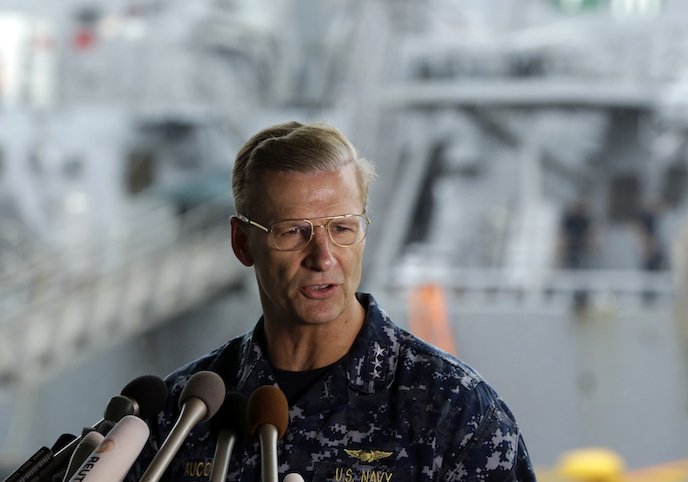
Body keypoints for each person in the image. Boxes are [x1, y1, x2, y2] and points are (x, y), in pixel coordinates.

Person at [125, 122, 536, 482]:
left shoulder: (455, 412)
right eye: (291, 232)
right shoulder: (179, 415)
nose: (323, 258)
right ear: (241, 242)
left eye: (342, 228)